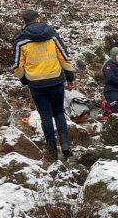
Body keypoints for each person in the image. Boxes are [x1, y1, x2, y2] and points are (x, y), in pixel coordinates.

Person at [12, 9, 76, 161]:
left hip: (36, 84)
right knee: (59, 112)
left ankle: (52, 150)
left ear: (24, 21)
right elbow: (64, 56)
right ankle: (65, 145)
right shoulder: (51, 33)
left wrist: (25, 80)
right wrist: (70, 77)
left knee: (45, 116)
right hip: (55, 79)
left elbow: (17, 66)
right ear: (38, 18)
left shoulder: (20, 40)